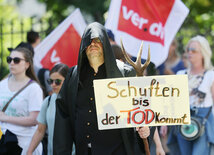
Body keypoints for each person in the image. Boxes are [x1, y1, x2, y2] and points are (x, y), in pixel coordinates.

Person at [53, 22, 152, 155]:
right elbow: (63, 117)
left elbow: (144, 107)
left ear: (105, 43)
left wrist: (146, 128)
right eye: (89, 41)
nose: (93, 44)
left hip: (116, 150)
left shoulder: (124, 73)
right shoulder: (73, 76)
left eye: (98, 40)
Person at [164, 35, 214, 155]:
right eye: (188, 50)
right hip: (182, 124)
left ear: (203, 53)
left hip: (204, 123)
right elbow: (173, 103)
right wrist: (165, 123)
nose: (189, 53)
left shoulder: (212, 76)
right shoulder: (179, 74)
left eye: (193, 50)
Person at [0, 47, 43, 155]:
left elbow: (34, 120)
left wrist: (6, 118)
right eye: (9, 59)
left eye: (17, 60)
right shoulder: (2, 84)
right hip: (3, 142)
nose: (12, 63)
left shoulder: (34, 88)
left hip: (24, 145)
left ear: (27, 64)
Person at [27, 64, 70, 155]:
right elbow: (40, 131)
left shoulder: (76, 100)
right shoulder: (48, 101)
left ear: (68, 80)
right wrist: (29, 151)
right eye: (50, 81)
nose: (53, 85)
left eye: (58, 81)